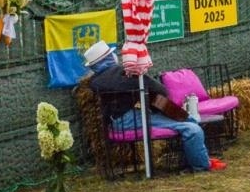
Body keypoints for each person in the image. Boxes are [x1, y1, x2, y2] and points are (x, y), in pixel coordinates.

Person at [85, 41, 213, 173]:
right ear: (109, 58)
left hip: (116, 122)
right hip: (129, 120)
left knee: (181, 117)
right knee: (191, 128)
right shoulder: (125, 73)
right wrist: (178, 114)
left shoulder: (95, 82)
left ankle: (194, 158)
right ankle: (201, 166)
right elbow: (158, 92)